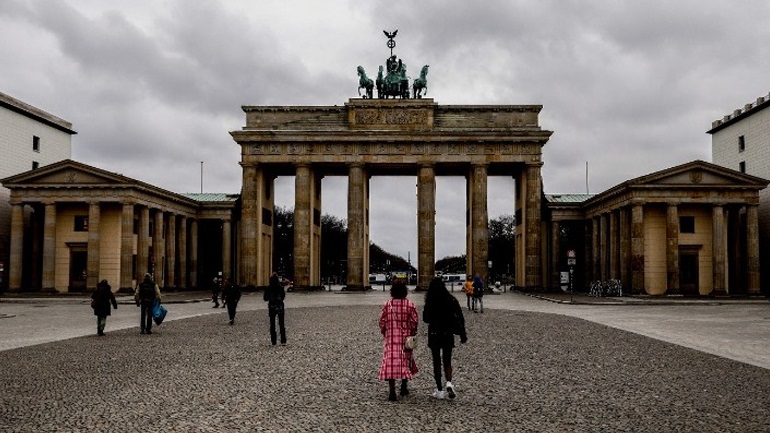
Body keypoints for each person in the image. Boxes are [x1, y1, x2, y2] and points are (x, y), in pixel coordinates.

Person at [423, 277, 467, 400]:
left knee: (436, 361)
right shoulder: (451, 300)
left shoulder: (430, 301)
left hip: (434, 334)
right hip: (448, 333)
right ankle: (449, 383)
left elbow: (425, 318)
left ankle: (439, 390)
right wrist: (462, 334)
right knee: (447, 360)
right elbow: (460, 317)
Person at [378, 280, 419, 401]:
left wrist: (385, 331)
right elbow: (414, 322)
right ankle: (404, 386)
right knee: (405, 361)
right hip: (405, 338)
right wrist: (412, 332)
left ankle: (392, 392)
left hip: (391, 338)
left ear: (392, 291)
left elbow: (382, 322)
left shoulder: (387, 305)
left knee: (390, 363)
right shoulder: (410, 305)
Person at [264, 272, 287, 345]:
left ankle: (273, 341)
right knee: (281, 324)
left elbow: (265, 298)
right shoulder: (280, 287)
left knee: (272, 324)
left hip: (272, 306)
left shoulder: (268, 288)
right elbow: (283, 296)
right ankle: (283, 340)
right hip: (280, 306)